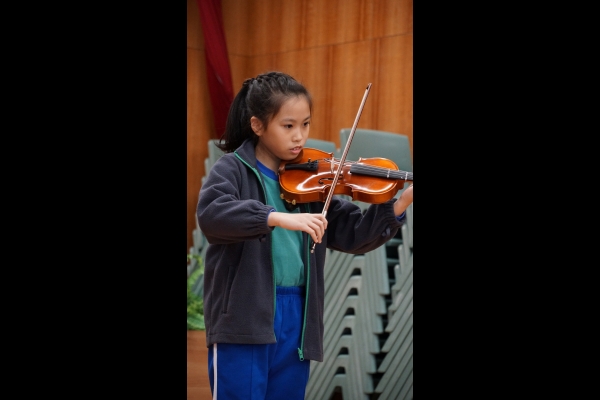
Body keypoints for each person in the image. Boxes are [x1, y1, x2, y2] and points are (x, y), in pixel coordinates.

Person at [196, 71, 413, 400]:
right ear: (257, 125)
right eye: (288, 126)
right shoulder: (233, 169)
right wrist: (275, 217)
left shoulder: (311, 180)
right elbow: (212, 215)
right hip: (244, 314)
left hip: (298, 314)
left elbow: (353, 232)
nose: (299, 136)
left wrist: (401, 203)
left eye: (306, 124)